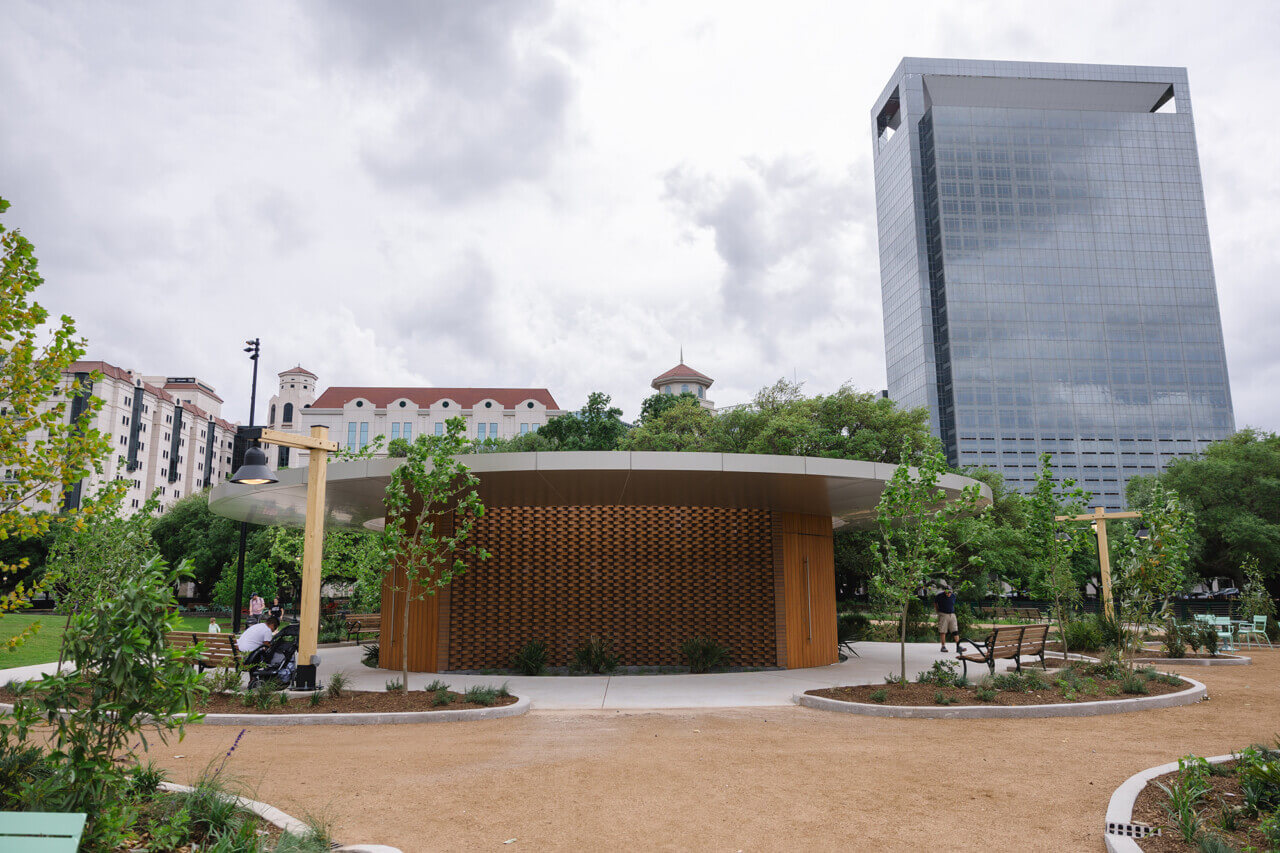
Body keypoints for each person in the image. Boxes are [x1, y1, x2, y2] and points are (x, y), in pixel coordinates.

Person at [935, 583, 959, 652]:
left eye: (950, 592)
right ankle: (943, 646)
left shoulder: (953, 596)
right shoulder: (939, 596)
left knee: (955, 630)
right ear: (944, 591)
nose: (948, 594)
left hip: (952, 614)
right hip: (943, 614)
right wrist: (938, 611)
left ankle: (958, 646)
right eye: (947, 592)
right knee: (943, 631)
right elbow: (935, 603)